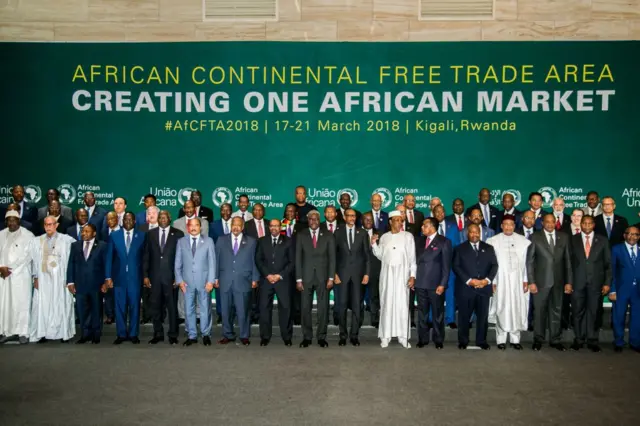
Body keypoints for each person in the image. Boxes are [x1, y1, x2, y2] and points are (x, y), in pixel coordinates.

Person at [526, 214, 573, 351]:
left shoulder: (564, 237)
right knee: (539, 312)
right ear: (542, 222)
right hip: (540, 283)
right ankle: (538, 339)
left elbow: (568, 262)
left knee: (556, 311)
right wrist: (531, 281)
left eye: (553, 222)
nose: (550, 224)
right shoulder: (535, 237)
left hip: (559, 282)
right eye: (547, 222)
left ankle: (555, 339)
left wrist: (569, 282)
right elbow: (530, 262)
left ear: (555, 222)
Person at [371, 210, 416, 349]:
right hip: (387, 276)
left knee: (402, 305)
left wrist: (412, 275)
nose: (399, 223)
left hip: (402, 276)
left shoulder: (408, 236)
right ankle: (385, 336)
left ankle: (403, 337)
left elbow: (412, 258)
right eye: (396, 220)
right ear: (390, 221)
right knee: (387, 304)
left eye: (401, 220)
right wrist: (373, 244)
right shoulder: (384, 237)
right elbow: (380, 255)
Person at [486, 215, 530, 350]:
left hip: (518, 281)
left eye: (511, 224)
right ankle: (501, 339)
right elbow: (490, 264)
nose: (508, 227)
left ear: (514, 225)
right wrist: (493, 280)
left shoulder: (524, 241)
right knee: (501, 306)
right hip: (501, 280)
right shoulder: (493, 241)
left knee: (517, 308)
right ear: (501, 226)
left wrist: (525, 280)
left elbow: (527, 264)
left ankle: (515, 339)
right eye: (505, 224)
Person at [29, 215, 75, 343]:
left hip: (60, 279)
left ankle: (62, 333)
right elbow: (34, 261)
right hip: (43, 278)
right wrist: (35, 277)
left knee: (60, 304)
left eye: (51, 224)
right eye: (46, 224)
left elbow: (73, 261)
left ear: (56, 225)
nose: (49, 227)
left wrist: (70, 279)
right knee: (43, 305)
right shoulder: (37, 241)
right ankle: (43, 332)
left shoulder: (67, 240)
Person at [569, 215, 611, 352]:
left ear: (593, 225)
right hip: (577, 282)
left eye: (589, 223)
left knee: (594, 312)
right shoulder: (572, 239)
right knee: (577, 311)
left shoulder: (603, 241)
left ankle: (593, 340)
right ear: (580, 225)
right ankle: (579, 339)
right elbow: (568, 264)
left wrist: (606, 283)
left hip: (596, 283)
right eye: (584, 223)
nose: (587, 226)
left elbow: (608, 264)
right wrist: (569, 282)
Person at [453, 224, 499, 350]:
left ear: (480, 233)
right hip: (465, 289)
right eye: (472, 232)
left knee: (483, 318)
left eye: (477, 232)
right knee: (463, 317)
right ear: (467, 234)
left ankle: (481, 341)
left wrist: (487, 280)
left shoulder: (489, 248)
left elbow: (494, 265)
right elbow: (456, 267)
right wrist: (469, 281)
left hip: (484, 289)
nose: (475, 234)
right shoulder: (459, 249)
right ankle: (463, 341)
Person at [215, 217, 258, 346]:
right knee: (225, 311)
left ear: (242, 227)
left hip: (244, 280)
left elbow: (254, 261)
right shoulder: (221, 240)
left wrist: (255, 278)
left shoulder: (251, 241)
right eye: (234, 224)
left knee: (243, 311)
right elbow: (216, 260)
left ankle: (244, 335)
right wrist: (215, 277)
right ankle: (227, 334)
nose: (236, 227)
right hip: (225, 280)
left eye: (239, 225)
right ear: (231, 225)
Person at [296, 210, 336, 348]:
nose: (313, 221)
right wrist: (298, 279)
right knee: (305, 308)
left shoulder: (328, 235)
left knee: (323, 308)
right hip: (305, 278)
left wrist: (331, 277)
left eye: (316, 219)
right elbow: (298, 258)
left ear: (320, 220)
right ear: (308, 220)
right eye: (311, 219)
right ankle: (306, 337)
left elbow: (332, 259)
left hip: (323, 278)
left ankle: (321, 337)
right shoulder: (301, 235)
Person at [143, 210, 184, 345]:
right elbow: (146, 256)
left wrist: (178, 277)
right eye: (160, 217)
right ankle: (158, 333)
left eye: (165, 217)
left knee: (172, 307)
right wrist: (146, 275)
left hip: (171, 277)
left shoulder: (178, 234)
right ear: (157, 219)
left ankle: (173, 334)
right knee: (155, 306)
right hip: (154, 277)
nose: (163, 219)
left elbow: (181, 258)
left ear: (170, 218)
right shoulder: (150, 234)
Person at [105, 212, 146, 344]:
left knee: (135, 307)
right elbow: (109, 258)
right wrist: (108, 277)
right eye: (125, 219)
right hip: (119, 278)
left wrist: (145, 276)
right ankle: (121, 334)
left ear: (134, 222)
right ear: (122, 221)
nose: (128, 221)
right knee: (119, 307)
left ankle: (133, 334)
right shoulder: (114, 235)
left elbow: (145, 258)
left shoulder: (142, 236)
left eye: (130, 219)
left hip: (135, 278)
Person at [175, 217, 216, 346]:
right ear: (188, 227)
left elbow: (212, 263)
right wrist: (179, 280)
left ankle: (205, 334)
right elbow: (177, 263)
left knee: (205, 308)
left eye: (196, 225)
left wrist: (210, 281)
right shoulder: (181, 241)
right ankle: (192, 335)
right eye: (191, 225)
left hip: (204, 282)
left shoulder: (209, 241)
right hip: (186, 283)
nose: (193, 228)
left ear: (200, 227)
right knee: (189, 309)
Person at [66, 224, 108, 344]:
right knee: (82, 310)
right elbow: (71, 264)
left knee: (96, 310)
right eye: (83, 231)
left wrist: (105, 281)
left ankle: (96, 334)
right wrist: (70, 281)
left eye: (87, 231)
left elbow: (106, 265)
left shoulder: (102, 246)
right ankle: (85, 334)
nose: (84, 233)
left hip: (96, 284)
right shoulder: (75, 245)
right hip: (80, 284)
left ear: (94, 233)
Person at [334, 208, 370, 346]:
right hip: (341, 276)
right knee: (341, 306)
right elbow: (333, 255)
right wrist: (334, 273)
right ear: (344, 217)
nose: (351, 218)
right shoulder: (338, 233)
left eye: (354, 216)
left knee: (356, 306)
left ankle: (354, 335)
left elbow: (367, 256)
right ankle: (343, 335)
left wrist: (367, 273)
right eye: (349, 215)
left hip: (358, 275)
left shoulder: (362, 233)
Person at [414, 217, 451, 349]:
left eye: (424, 225)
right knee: (422, 314)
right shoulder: (419, 241)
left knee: (437, 314)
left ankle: (438, 339)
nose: (422, 228)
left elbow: (446, 267)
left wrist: (443, 284)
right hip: (420, 283)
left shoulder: (444, 241)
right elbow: (415, 262)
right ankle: (422, 339)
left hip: (436, 285)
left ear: (432, 227)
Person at [256, 219, 294, 346]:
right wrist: (267, 275)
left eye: (277, 226)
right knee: (264, 308)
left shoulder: (288, 241)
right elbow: (258, 260)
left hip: (282, 281)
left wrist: (280, 275)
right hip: (266, 280)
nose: (274, 228)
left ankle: (287, 337)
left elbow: (292, 262)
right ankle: (265, 336)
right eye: (272, 226)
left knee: (285, 309)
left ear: (280, 227)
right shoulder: (262, 241)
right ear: (269, 227)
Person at [0, 211, 35, 344]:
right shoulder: (1, 234)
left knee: (21, 304)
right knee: (5, 304)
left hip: (20, 276)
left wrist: (11, 269)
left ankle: (23, 332)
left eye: (14, 220)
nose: (12, 223)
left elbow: (27, 256)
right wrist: (1, 268)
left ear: (19, 221)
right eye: (9, 220)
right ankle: (6, 331)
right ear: (6, 222)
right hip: (3, 276)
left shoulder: (27, 235)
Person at [609, 226, 640, 353]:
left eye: (636, 234)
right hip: (621, 290)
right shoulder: (616, 249)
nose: (632, 237)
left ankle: (635, 342)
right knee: (619, 317)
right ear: (624, 235)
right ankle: (619, 342)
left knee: (637, 318)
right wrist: (612, 290)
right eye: (630, 234)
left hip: (638, 291)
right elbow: (612, 271)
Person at [432, 205, 461, 328]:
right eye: (437, 212)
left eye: (442, 211)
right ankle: (431, 319)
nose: (440, 214)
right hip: (433, 267)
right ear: (433, 213)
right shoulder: (430, 227)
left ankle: (450, 319)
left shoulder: (453, 227)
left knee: (450, 293)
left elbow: (458, 247)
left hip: (450, 267)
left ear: (444, 213)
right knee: (433, 294)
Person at [209, 202, 232, 323]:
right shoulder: (213, 225)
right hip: (219, 262)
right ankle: (221, 313)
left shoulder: (236, 224)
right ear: (220, 211)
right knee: (219, 290)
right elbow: (211, 245)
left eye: (228, 210)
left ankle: (232, 312)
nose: (225, 213)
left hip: (234, 263)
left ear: (231, 211)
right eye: (223, 210)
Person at [138, 205, 161, 324]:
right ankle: (146, 315)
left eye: (153, 213)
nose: (150, 215)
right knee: (145, 293)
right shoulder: (141, 229)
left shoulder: (163, 228)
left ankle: (159, 315)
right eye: (148, 213)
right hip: (144, 265)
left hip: (159, 267)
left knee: (158, 292)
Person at [361, 212, 382, 327]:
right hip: (360, 269)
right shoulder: (357, 232)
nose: (368, 221)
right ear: (362, 221)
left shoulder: (380, 234)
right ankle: (358, 319)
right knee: (359, 296)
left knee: (375, 295)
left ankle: (375, 320)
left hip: (376, 269)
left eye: (370, 219)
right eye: (366, 219)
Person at [99, 211, 119, 324]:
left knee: (118, 292)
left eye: (112, 219)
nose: (110, 221)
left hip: (119, 266)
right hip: (105, 265)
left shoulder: (122, 230)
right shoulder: (102, 232)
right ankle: (110, 315)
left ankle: (119, 313)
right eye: (108, 219)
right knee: (108, 292)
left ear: (117, 219)